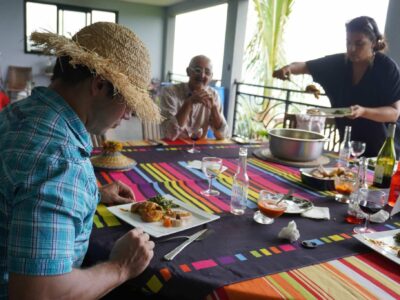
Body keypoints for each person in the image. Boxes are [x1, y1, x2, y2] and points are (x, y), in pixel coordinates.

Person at [0, 22, 161, 299]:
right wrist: (120, 266)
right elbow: (37, 294)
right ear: (99, 85)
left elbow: (23, 190)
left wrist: (92, 194)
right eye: (129, 102)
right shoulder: (62, 162)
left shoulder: (17, 114)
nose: (127, 115)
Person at [273, 16, 400, 157]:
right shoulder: (338, 64)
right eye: (348, 42)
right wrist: (288, 68)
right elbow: (305, 66)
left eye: (359, 44)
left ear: (374, 43)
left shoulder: (387, 68)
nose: (352, 49)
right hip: (349, 149)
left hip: (384, 153)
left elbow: (394, 113)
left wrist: (363, 111)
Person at [160, 55, 229, 140]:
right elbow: (169, 134)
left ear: (211, 77)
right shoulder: (170, 92)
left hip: (199, 149)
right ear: (188, 71)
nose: (202, 75)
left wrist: (214, 108)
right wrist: (189, 103)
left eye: (207, 72)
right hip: (171, 147)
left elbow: (223, 135)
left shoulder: (213, 95)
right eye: (197, 70)